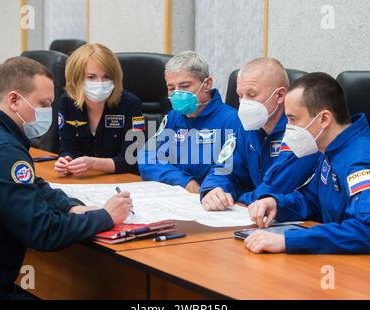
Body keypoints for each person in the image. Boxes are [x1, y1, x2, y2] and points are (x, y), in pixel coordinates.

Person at [0, 57, 133, 299]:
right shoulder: (0, 149)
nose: (48, 111)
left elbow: (32, 185)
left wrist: (70, 207)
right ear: (14, 100)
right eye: (43, 103)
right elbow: (42, 230)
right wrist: (105, 217)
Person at [245, 72, 370, 254]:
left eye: (293, 119)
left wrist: (288, 240)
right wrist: (276, 204)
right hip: (343, 258)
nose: (288, 127)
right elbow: (313, 201)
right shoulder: (330, 151)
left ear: (324, 119)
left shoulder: (364, 163)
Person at [200, 58, 320, 210]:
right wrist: (213, 190)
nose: (243, 103)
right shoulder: (249, 127)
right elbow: (224, 168)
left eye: (252, 94)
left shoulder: (299, 133)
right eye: (240, 95)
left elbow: (272, 190)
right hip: (254, 218)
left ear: (280, 95)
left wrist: (236, 197)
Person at [138, 51, 241, 193]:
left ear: (207, 84)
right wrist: (184, 182)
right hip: (178, 196)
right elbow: (147, 158)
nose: (177, 93)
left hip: (213, 200)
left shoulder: (231, 120)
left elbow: (229, 171)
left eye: (185, 86)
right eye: (171, 88)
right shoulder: (173, 117)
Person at [55, 43, 144, 176]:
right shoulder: (67, 102)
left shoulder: (132, 104)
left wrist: (93, 163)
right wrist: (66, 161)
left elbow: (132, 160)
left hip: (122, 181)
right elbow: (67, 148)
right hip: (84, 181)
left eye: (107, 77)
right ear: (77, 78)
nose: (100, 83)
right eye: (91, 77)